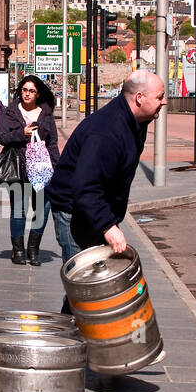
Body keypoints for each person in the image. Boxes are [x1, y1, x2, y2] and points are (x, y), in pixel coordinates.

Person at [46, 68, 168, 267]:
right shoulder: (106, 132)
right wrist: (108, 226)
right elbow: (85, 186)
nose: (164, 102)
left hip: (94, 208)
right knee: (85, 283)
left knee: (95, 286)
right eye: (160, 97)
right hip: (75, 211)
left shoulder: (135, 121)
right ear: (139, 98)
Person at [0, 74, 61, 265]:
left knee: (43, 209)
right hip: (18, 168)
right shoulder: (10, 112)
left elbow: (53, 143)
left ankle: (33, 249)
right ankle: (18, 251)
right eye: (24, 89)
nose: (27, 94)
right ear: (20, 91)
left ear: (38, 93)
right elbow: (2, 137)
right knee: (19, 210)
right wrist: (21, 133)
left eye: (31, 91)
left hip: (41, 167)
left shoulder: (46, 113)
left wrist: (58, 169)